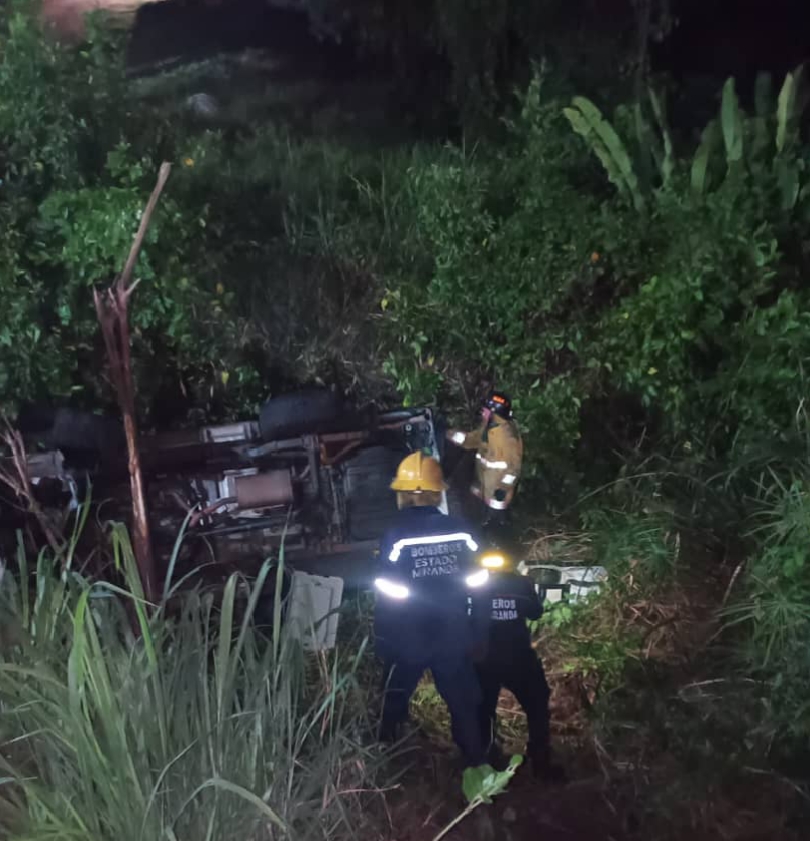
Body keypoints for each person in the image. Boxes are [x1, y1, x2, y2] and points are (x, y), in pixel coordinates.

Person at [374, 451, 490, 768]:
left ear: (403, 495)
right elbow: (480, 585)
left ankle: (382, 767)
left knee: (393, 700)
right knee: (465, 708)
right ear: (437, 491)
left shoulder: (395, 537)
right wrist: (479, 632)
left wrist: (383, 640)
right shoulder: (462, 532)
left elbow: (387, 594)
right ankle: (478, 772)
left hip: (408, 639)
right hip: (453, 635)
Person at [472, 549, 565, 782]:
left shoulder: (476, 584)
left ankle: (496, 762)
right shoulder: (516, 583)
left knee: (486, 711)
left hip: (492, 658)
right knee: (532, 706)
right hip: (509, 657)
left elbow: (534, 612)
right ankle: (534, 762)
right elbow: (535, 612)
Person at [446, 391, 523, 540]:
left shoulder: (507, 437)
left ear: (494, 412)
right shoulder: (490, 427)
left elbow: (514, 468)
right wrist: (453, 435)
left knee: (497, 529)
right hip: (485, 486)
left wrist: (502, 489)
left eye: (486, 409)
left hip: (497, 494)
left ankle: (504, 549)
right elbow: (474, 439)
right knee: (482, 523)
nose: (483, 411)